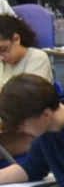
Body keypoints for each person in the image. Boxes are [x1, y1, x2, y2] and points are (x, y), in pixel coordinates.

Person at [0, 15, 53, 156]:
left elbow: (27, 107)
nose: (1, 57)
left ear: (16, 39)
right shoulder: (1, 62)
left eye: (3, 49)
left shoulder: (37, 58)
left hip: (28, 131)